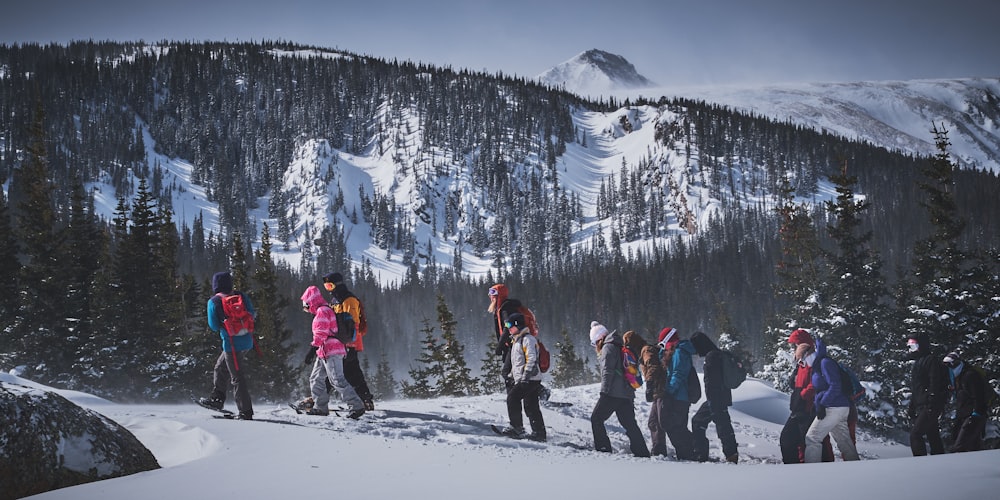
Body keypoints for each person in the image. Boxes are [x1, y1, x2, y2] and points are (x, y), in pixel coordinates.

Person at [300, 285, 365, 419]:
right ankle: (320, 407)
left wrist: (312, 349)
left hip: (332, 351)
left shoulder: (322, 311)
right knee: (316, 378)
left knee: (337, 380)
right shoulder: (324, 309)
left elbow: (321, 332)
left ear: (311, 301)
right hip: (323, 351)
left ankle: (356, 406)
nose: (305, 309)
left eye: (306, 305)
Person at [198, 271, 256, 420]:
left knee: (237, 377)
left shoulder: (214, 301)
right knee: (220, 367)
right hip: (247, 341)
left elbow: (214, 326)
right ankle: (217, 399)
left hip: (231, 345)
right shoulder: (241, 296)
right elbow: (252, 313)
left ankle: (245, 411)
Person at [589, 322, 651, 457]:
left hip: (612, 393)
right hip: (626, 393)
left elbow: (608, 371)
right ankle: (642, 452)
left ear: (598, 339)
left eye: (594, 344)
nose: (595, 348)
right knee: (630, 424)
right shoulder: (618, 344)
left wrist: (604, 392)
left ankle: (603, 450)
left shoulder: (607, 347)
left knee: (596, 419)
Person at [779, 328, 834, 463]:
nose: (793, 348)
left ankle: (822, 469)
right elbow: (798, 383)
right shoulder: (802, 363)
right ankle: (794, 469)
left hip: (810, 408)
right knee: (788, 440)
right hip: (799, 408)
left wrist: (804, 394)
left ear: (802, 345)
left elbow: (818, 382)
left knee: (811, 442)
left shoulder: (815, 361)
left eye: (795, 345)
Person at [323, 272, 375, 411]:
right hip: (337, 343)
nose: (329, 289)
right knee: (341, 372)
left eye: (330, 285)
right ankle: (365, 399)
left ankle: (319, 399)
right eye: (326, 286)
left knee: (344, 372)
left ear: (337, 284)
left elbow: (353, 325)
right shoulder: (335, 299)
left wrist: (350, 346)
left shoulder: (348, 299)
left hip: (348, 343)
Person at [803, 337, 860, 462]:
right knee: (844, 441)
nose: (804, 361)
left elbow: (835, 385)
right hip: (839, 407)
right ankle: (856, 466)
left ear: (811, 353)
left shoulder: (825, 363)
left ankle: (810, 472)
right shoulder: (819, 365)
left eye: (804, 357)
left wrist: (823, 403)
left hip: (833, 407)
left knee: (812, 438)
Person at [496, 312, 546, 441]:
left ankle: (516, 428)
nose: (508, 328)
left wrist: (525, 377)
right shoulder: (516, 341)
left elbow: (531, 359)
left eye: (510, 325)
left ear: (518, 325)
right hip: (528, 378)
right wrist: (511, 375)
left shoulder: (528, 339)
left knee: (512, 398)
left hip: (530, 378)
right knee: (531, 406)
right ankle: (539, 433)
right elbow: (517, 363)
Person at [689, 331, 739, 463]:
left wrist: (712, 400)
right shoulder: (718, 354)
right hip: (721, 396)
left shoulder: (712, 357)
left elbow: (711, 382)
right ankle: (730, 454)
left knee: (719, 425)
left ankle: (705, 454)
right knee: (717, 424)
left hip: (715, 398)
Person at [650, 327, 697, 460]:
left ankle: (688, 453)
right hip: (675, 396)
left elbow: (678, 374)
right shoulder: (672, 352)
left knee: (675, 426)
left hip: (678, 397)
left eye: (663, 342)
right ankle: (687, 452)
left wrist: (668, 390)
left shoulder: (680, 352)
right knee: (668, 424)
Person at [906, 334, 947, 456]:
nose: (911, 350)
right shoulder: (918, 362)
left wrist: (932, 402)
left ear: (921, 345)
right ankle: (939, 460)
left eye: (913, 346)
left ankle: (921, 464)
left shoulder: (931, 360)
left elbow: (934, 382)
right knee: (932, 433)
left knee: (916, 434)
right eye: (909, 346)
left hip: (930, 405)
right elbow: (916, 388)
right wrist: (912, 406)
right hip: (922, 404)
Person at [487, 284, 530, 392]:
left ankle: (514, 396)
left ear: (499, 295)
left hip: (515, 345)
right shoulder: (502, 308)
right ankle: (533, 392)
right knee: (513, 372)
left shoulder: (506, 309)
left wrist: (500, 347)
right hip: (512, 345)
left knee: (507, 373)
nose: (490, 295)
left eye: (493, 293)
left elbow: (508, 327)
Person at [943, 351, 988, 452]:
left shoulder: (970, 376)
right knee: (972, 446)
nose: (949, 367)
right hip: (964, 415)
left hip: (974, 415)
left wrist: (976, 414)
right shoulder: (957, 377)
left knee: (960, 446)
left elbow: (979, 396)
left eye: (950, 363)